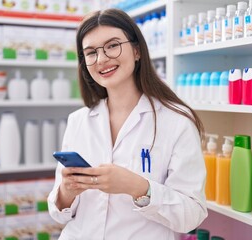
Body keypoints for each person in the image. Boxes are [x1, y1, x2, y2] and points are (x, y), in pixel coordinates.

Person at [48, 8, 208, 240]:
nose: (102, 59)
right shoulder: (78, 120)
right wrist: (66, 192)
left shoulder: (177, 121)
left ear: (136, 50)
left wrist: (138, 187)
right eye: (91, 52)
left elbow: (192, 215)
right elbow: (58, 214)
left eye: (112, 45)